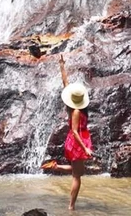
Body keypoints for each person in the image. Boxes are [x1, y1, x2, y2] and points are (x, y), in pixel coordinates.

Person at [41, 54, 93, 211]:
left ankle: (56, 167)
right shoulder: (76, 111)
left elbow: (65, 84)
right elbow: (75, 132)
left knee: (79, 170)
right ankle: (71, 207)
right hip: (77, 141)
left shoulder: (73, 108)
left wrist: (62, 66)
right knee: (77, 176)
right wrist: (85, 148)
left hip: (80, 139)